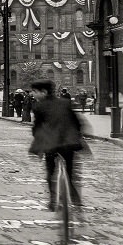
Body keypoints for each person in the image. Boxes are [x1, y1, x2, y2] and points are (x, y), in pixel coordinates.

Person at [29, 79, 86, 210]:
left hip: (52, 144)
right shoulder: (65, 102)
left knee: (50, 173)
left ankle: (53, 201)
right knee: (71, 173)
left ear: (43, 92)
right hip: (70, 143)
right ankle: (76, 201)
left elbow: (37, 128)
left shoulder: (38, 106)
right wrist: (78, 137)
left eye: (34, 91)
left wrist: (37, 147)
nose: (32, 94)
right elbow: (77, 122)